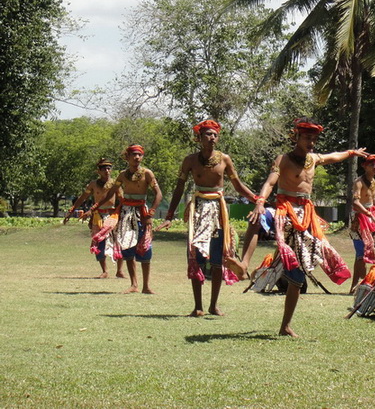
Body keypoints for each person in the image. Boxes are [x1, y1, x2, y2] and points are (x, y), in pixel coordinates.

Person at [230, 118, 367, 337]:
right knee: (257, 218)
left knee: (297, 277)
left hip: (306, 217)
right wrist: (260, 201)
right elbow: (270, 183)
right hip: (284, 210)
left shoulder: (313, 159)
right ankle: (243, 264)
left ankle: (285, 326)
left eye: (314, 138)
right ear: (297, 137)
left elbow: (332, 157)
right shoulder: (283, 159)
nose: (311, 142)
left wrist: (351, 153)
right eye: (307, 138)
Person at [158, 120, 258, 317]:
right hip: (198, 210)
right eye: (207, 134)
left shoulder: (225, 159)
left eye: (215, 134)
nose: (212, 138)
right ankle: (198, 306)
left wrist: (258, 200)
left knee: (218, 258)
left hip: (219, 212)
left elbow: (238, 186)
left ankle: (213, 305)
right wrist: (170, 215)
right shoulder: (190, 161)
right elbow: (179, 188)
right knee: (196, 256)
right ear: (199, 138)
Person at [87, 144, 162, 294]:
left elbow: (158, 194)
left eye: (139, 155)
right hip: (126, 213)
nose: (137, 157)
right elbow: (110, 194)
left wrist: (151, 213)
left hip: (142, 213)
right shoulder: (122, 175)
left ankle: (146, 286)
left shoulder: (147, 174)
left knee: (145, 246)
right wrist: (95, 207)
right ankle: (134, 284)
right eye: (133, 155)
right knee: (127, 247)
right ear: (127, 157)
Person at [63, 158, 125, 279]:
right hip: (98, 216)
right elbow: (82, 198)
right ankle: (105, 270)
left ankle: (120, 270)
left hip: (112, 216)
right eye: (104, 169)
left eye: (109, 168)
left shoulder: (115, 184)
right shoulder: (93, 184)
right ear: (99, 171)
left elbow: (122, 199)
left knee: (118, 241)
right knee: (99, 242)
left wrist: (120, 212)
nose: (107, 171)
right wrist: (71, 212)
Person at [348, 153, 375, 293]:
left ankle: (362, 284)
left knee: (368, 252)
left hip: (370, 219)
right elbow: (355, 202)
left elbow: (374, 201)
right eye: (372, 164)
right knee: (360, 253)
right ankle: (357, 285)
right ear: (365, 166)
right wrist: (368, 213)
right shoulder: (358, 182)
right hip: (359, 219)